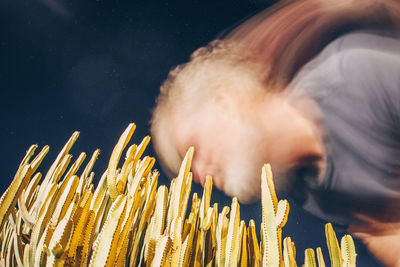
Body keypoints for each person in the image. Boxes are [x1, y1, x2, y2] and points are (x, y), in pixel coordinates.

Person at [150, 0, 400, 265]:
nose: (200, 176)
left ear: (224, 103)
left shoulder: (353, 76)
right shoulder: (310, 192)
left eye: (195, 149)